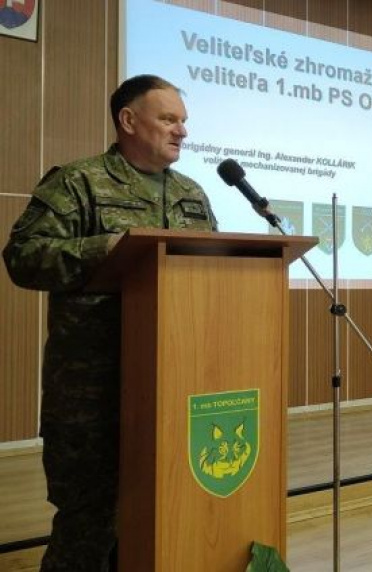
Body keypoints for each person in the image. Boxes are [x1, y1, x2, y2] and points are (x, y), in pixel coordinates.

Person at [3, 74, 218, 571]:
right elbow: (23, 257)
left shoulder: (191, 193)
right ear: (128, 120)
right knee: (89, 525)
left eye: (183, 121)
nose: (182, 131)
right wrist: (110, 249)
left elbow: (211, 271)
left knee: (160, 515)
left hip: (174, 387)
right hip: (91, 392)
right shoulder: (78, 182)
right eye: (169, 119)